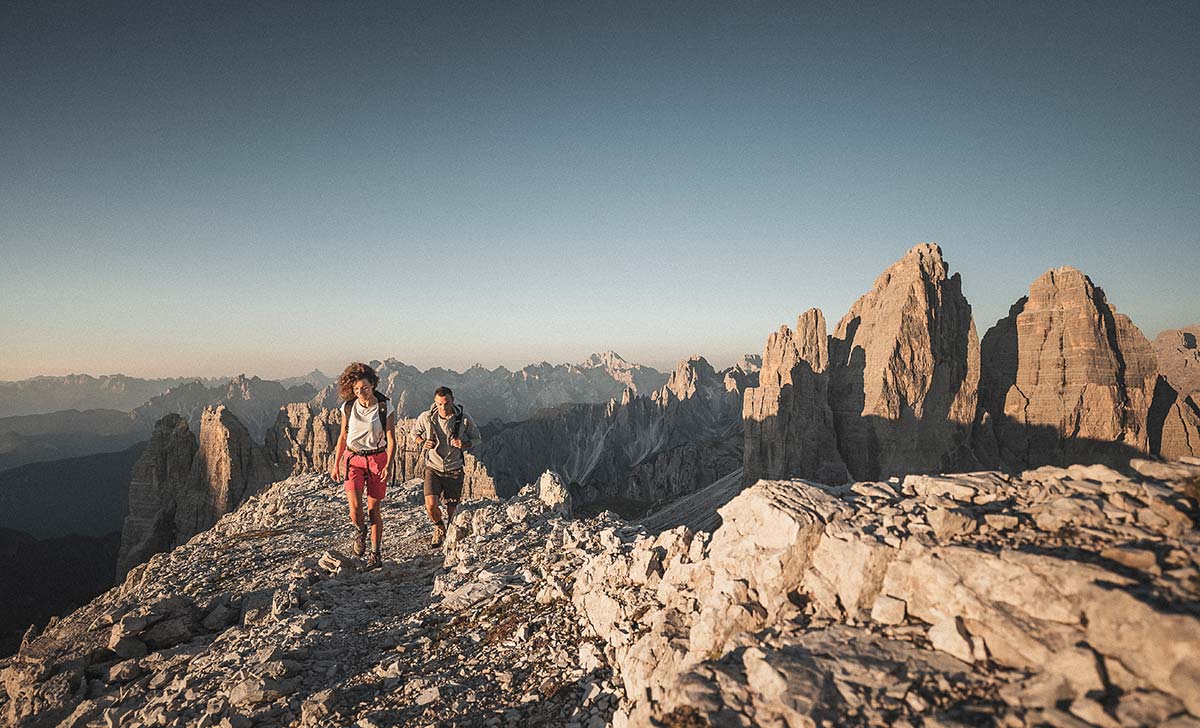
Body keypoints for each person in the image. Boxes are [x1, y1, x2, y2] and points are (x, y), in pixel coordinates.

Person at [329, 362, 395, 569]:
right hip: (353, 459)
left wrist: (389, 464)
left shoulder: (385, 407)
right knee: (355, 509)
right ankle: (360, 530)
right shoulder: (348, 407)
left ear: (373, 385)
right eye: (356, 389)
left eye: (364, 388)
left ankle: (375, 554)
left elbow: (391, 439)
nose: (361, 392)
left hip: (377, 459)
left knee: (374, 511)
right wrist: (336, 463)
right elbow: (343, 436)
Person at [410, 386, 482, 545]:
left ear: (452, 401)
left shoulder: (464, 419)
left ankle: (450, 537)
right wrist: (423, 442)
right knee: (430, 506)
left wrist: (464, 444)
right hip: (433, 467)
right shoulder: (426, 417)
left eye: (446, 403)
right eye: (439, 404)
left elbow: (477, 438)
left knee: (452, 510)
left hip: (454, 469)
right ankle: (439, 527)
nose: (443, 407)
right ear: (435, 402)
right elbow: (414, 433)